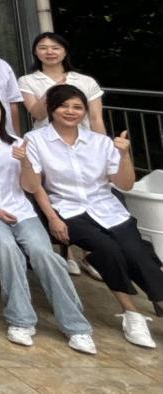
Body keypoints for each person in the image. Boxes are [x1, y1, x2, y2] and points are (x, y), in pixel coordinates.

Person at [0, 91, 97, 354]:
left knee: (43, 253)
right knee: (6, 248)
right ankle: (20, 320)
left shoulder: (18, 142)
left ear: (1, 113)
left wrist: (26, 163)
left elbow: (30, 186)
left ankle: (76, 327)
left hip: (20, 209)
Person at [20, 84, 163, 348]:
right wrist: (52, 218)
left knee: (137, 251)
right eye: (63, 106)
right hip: (67, 210)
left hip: (107, 207)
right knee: (107, 249)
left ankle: (160, 301)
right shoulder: (35, 140)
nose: (70, 111)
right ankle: (131, 313)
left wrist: (124, 155)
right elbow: (34, 187)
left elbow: (125, 184)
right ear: (51, 109)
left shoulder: (100, 142)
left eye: (77, 107)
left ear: (85, 111)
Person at [18, 32, 105, 133]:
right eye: (43, 48)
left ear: (65, 51)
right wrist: (51, 91)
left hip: (83, 138)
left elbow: (96, 119)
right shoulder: (26, 81)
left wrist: (104, 142)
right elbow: (38, 115)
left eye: (55, 48)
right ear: (35, 52)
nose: (49, 52)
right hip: (44, 138)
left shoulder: (86, 81)